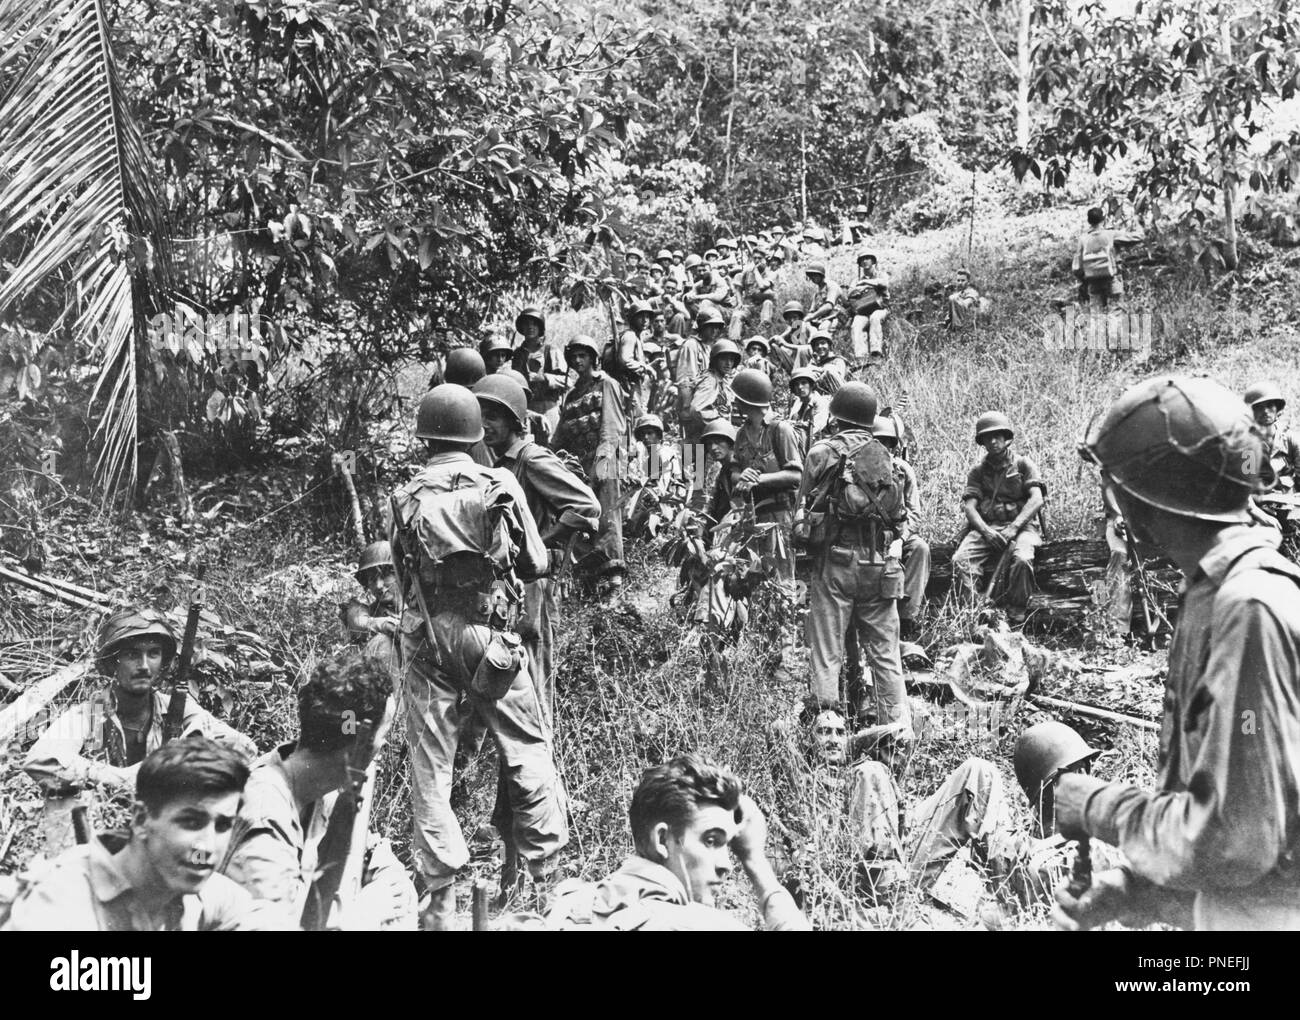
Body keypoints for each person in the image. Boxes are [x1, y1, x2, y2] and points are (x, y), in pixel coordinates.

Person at [1055, 375, 1300, 931]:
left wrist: (1096, 808)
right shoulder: (1212, 591)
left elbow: (1237, 840)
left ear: (1145, 497)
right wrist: (1137, 892)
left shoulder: (1250, 606)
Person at [389, 384, 567, 929]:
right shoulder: (501, 482)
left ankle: (441, 892)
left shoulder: (405, 494)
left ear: (426, 436)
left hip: (428, 640)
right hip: (490, 634)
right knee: (527, 749)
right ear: (472, 434)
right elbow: (537, 563)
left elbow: (400, 577)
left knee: (431, 764)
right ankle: (543, 881)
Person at [220, 650, 416, 929]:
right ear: (359, 743)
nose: (383, 747)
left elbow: (379, 861)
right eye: (381, 736)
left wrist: (389, 886)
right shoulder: (264, 810)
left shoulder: (324, 793)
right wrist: (358, 916)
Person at [5, 738, 285, 931]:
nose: (208, 846)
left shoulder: (188, 870)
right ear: (140, 819)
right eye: (190, 822)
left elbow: (260, 917)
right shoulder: (63, 907)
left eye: (223, 826)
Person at [547, 753, 810, 930]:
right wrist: (755, 861)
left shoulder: (566, 906)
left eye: (727, 845)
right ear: (663, 839)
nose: (726, 865)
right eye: (711, 840)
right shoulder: (698, 924)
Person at [23, 608, 256, 802]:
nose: (144, 666)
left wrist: (191, 746)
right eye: (133, 655)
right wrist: (122, 779)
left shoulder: (175, 709)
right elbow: (40, 760)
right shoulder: (92, 713)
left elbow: (245, 748)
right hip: (103, 827)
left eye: (153, 654)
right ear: (113, 662)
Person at [474, 373, 600, 730]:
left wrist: (540, 542)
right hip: (510, 585)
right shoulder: (501, 465)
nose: (486, 425)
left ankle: (545, 751)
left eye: (494, 416)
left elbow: (586, 506)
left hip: (535, 584)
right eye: (480, 416)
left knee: (537, 671)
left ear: (515, 419)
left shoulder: (530, 459)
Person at [797, 383, 912, 735]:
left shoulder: (821, 453)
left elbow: (803, 507)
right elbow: (901, 518)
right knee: (886, 655)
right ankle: (897, 730)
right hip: (881, 565)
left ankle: (827, 727)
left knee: (828, 648)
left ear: (836, 415)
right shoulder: (888, 457)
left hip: (837, 563)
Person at [952, 411, 1046, 621]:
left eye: (998, 436)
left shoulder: (1023, 464)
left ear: (1006, 438)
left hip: (1022, 528)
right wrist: (986, 532)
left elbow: (1037, 499)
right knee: (961, 560)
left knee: (1023, 559)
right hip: (989, 527)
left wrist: (1014, 527)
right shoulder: (977, 472)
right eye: (988, 437)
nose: (994, 441)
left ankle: (1016, 612)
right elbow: (970, 508)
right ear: (982, 442)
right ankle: (975, 612)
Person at [552, 335, 628, 593]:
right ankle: (591, 574)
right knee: (584, 517)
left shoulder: (606, 383)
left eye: (582, 355)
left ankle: (615, 573)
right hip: (580, 461)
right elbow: (560, 434)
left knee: (607, 511)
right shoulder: (572, 395)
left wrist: (603, 460)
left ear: (593, 358)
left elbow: (611, 425)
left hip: (605, 455)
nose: (577, 360)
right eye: (573, 357)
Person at [871, 416, 929, 640]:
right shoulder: (860, 470)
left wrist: (901, 539)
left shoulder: (904, 471)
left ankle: (907, 619)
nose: (882, 448)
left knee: (920, 549)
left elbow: (914, 513)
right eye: (877, 442)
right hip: (869, 536)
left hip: (897, 534)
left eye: (887, 442)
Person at [339, 541, 402, 698]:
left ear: (400, 573)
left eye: (386, 575)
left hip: (422, 690)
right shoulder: (368, 611)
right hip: (386, 695)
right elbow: (357, 621)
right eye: (373, 579)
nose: (379, 585)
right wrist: (386, 624)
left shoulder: (421, 606)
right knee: (383, 642)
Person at [1071, 206, 1142, 309]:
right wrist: (1137, 222)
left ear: (1089, 221)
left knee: (1096, 315)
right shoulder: (1111, 235)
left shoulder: (1083, 239)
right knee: (1115, 312)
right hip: (1112, 280)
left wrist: (1086, 278)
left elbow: (1076, 268)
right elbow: (1138, 237)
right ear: (1103, 220)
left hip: (1093, 282)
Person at [510, 305, 567, 431]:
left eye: (534, 324)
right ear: (521, 328)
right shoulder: (516, 354)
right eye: (527, 324)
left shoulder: (550, 351)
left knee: (550, 446)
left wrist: (544, 378)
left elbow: (567, 381)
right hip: (524, 408)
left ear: (540, 328)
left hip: (548, 407)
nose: (530, 327)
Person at [627, 413, 684, 539]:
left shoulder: (663, 453)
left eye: (650, 433)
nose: (645, 437)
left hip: (661, 507)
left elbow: (660, 489)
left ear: (658, 435)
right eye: (642, 435)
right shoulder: (646, 455)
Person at [1243, 380, 1300, 492]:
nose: (1265, 411)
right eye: (1259, 407)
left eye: (1270, 406)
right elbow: (1247, 480)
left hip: (1289, 498)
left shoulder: (1291, 440)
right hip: (1259, 499)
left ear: (1277, 409)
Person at [771, 328, 846, 395]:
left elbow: (838, 379)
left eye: (823, 343)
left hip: (837, 394)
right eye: (817, 344)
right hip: (819, 395)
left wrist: (820, 371)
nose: (820, 347)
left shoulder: (838, 360)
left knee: (829, 369)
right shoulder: (815, 361)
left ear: (829, 346)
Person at [846, 251, 890, 365]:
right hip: (863, 310)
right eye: (862, 259)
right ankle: (861, 358)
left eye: (867, 258)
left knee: (875, 318)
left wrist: (866, 282)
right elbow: (850, 293)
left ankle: (876, 353)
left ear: (873, 261)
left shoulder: (881, 275)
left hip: (880, 308)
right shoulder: (856, 280)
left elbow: (884, 284)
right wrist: (859, 290)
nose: (865, 261)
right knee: (856, 324)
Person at [787, 366, 829, 454]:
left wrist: (795, 424)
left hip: (817, 446)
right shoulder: (797, 403)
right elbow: (790, 420)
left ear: (811, 385)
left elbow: (816, 427)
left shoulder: (820, 402)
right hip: (796, 442)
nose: (800, 387)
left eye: (804, 383)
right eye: (796, 384)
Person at [803, 262, 843, 331]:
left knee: (823, 327)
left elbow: (828, 306)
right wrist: (806, 319)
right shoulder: (817, 293)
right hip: (820, 319)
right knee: (802, 326)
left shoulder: (832, 286)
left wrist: (812, 316)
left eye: (815, 275)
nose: (812, 277)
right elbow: (812, 310)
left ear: (821, 275)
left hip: (834, 317)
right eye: (811, 275)